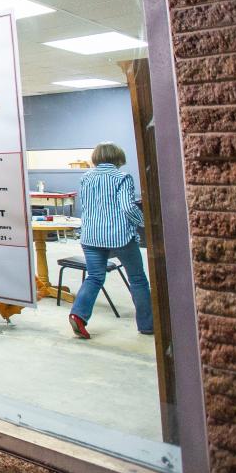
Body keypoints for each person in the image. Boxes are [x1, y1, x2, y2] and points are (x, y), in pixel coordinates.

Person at [69, 142, 154, 339]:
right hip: (120, 237)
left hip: (90, 236)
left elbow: (87, 206)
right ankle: (147, 325)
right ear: (118, 157)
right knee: (138, 279)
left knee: (95, 277)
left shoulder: (85, 178)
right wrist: (144, 223)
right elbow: (128, 207)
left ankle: (78, 315)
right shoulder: (122, 177)